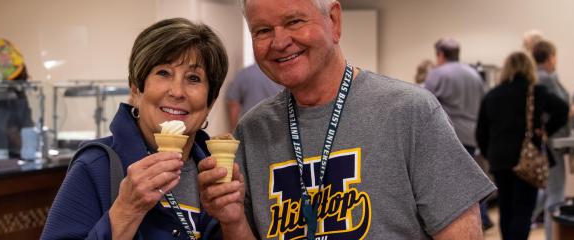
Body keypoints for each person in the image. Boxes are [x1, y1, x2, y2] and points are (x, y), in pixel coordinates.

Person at [198, 0, 496, 239]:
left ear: (335, 21)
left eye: (294, 21)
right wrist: (233, 220)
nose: (279, 41)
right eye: (262, 30)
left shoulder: (409, 111)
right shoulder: (252, 131)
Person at [42, 18, 232, 239]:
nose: (177, 92)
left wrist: (233, 223)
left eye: (193, 78)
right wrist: (127, 209)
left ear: (210, 100)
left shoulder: (216, 173)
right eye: (163, 73)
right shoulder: (96, 166)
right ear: (136, 88)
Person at [476, 51, 568, 240]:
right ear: (529, 68)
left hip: (499, 159)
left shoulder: (492, 95)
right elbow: (562, 108)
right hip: (527, 158)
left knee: (506, 209)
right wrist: (545, 130)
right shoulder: (535, 91)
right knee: (523, 210)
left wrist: (490, 153)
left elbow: (481, 132)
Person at [423, 38, 491, 230]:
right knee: (472, 179)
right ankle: (482, 218)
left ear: (441, 54)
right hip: (472, 135)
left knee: (450, 185)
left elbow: (423, 103)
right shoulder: (474, 74)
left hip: (449, 135)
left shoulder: (437, 74)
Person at [530, 40, 570, 240]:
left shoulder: (538, 77)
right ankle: (552, 236)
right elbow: (562, 107)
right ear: (550, 56)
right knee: (555, 194)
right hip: (553, 143)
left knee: (545, 191)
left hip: (548, 142)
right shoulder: (546, 79)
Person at [226, 63, 283, 130]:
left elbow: (233, 104)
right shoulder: (281, 73)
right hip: (278, 128)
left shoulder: (245, 74)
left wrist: (234, 131)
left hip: (250, 128)